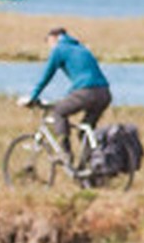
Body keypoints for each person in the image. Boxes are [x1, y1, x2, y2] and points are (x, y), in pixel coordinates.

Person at [23, 25, 110, 160]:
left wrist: (33, 96)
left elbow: (46, 75)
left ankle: (65, 153)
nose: (49, 46)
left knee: (58, 112)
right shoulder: (81, 48)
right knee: (85, 131)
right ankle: (88, 171)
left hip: (87, 91)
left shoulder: (59, 49)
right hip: (104, 93)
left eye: (48, 42)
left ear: (54, 38)